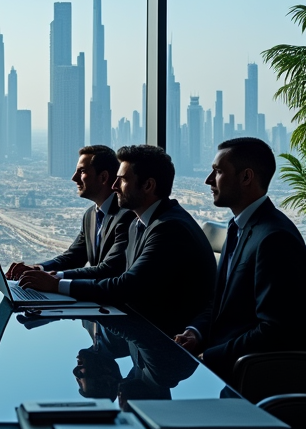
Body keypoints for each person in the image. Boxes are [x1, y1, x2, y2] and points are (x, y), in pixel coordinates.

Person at [20, 144, 215, 337]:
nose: (114, 186)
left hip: (166, 342)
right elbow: (80, 258)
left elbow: (125, 286)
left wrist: (56, 284)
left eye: (121, 180)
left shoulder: (169, 228)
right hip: (138, 333)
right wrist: (42, 272)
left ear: (148, 185)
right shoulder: (140, 223)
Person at [174, 138, 306, 379]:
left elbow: (275, 330)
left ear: (246, 177)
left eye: (217, 171)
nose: (208, 180)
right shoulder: (239, 227)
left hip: (246, 375)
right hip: (224, 361)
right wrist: (196, 332)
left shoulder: (275, 238)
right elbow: (223, 304)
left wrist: (209, 358)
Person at [7, 144, 133, 283]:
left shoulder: (126, 216)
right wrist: (38, 268)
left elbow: (109, 270)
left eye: (82, 171)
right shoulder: (90, 215)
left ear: (103, 177)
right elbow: (73, 257)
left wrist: (55, 278)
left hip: (112, 300)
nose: (74, 178)